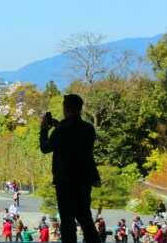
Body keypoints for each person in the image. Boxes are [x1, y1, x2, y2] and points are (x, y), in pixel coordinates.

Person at [40, 94, 101, 243]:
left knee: (67, 220)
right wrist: (59, 125)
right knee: (85, 217)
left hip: (65, 180)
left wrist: (44, 130)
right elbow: (75, 138)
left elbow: (45, 148)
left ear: (66, 108)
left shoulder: (61, 131)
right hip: (84, 179)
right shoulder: (88, 128)